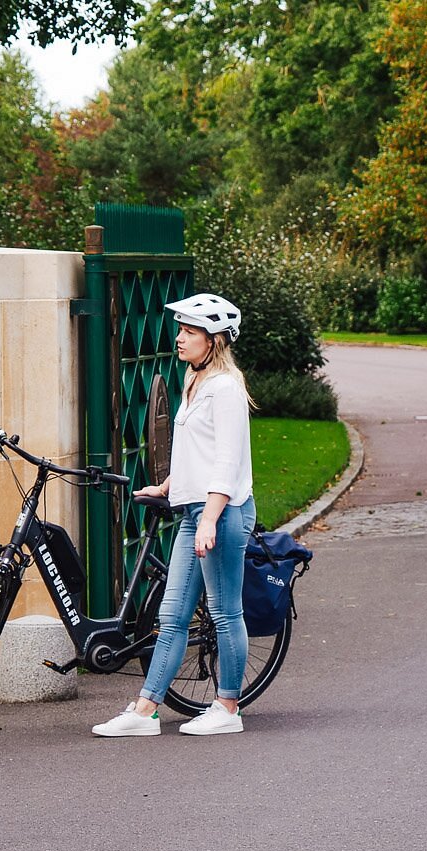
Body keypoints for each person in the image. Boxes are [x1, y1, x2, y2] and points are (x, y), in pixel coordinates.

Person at [93, 292, 256, 737]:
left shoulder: (226, 388)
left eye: (189, 331)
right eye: (181, 329)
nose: (179, 338)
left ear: (214, 339)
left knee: (224, 612)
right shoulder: (193, 379)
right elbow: (194, 449)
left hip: (221, 513)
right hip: (195, 510)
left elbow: (227, 461)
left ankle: (227, 707)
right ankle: (144, 711)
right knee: (172, 614)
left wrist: (209, 519)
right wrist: (168, 486)